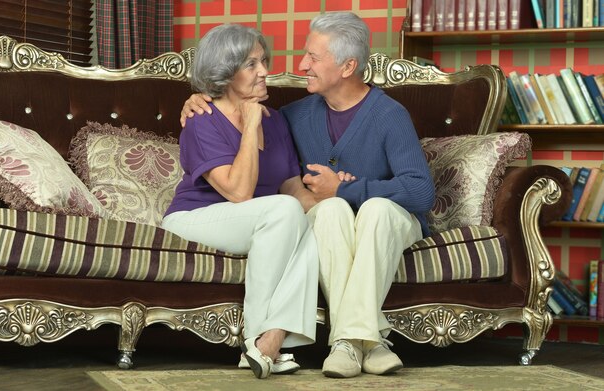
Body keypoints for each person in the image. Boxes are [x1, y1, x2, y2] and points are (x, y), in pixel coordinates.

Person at [180, 12, 435, 379]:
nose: (301, 66)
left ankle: (347, 340)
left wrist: (347, 189)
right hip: (328, 215)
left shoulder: (390, 115)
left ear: (348, 66)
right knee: (328, 213)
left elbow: (421, 191)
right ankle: (370, 343)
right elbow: (231, 109)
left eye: (314, 58)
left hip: (391, 220)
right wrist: (198, 97)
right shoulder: (294, 116)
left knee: (376, 209)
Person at [162, 23, 320, 380]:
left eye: (263, 60)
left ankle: (269, 343)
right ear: (225, 72)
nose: (265, 71)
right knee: (283, 210)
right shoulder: (202, 120)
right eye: (251, 64)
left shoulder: (276, 121)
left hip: (260, 220)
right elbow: (238, 192)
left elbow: (292, 187)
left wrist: (332, 210)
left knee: (309, 225)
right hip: (196, 217)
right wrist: (249, 125)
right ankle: (257, 334)